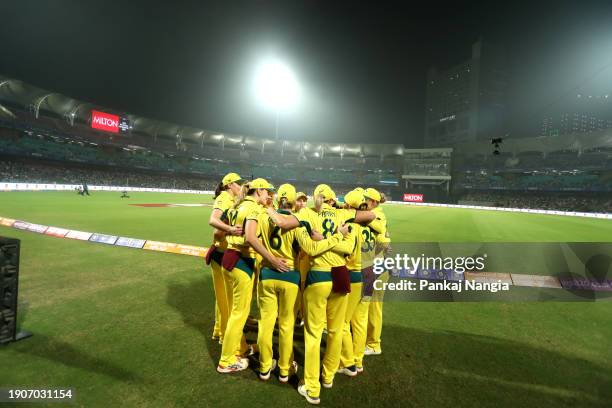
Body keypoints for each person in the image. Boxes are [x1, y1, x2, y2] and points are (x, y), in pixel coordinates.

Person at [267, 184, 376, 405]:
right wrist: (338, 236)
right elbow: (349, 247)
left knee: (314, 334)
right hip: (341, 275)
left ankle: (312, 387)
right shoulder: (344, 215)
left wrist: (324, 240)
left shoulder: (307, 214)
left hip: (319, 276)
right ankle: (328, 376)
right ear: (333, 198)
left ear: (316, 198)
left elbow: (312, 248)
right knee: (336, 330)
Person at [250, 183, 349, 382]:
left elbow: (253, 239)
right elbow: (308, 249)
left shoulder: (262, 217)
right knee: (286, 325)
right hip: (291, 276)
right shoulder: (299, 223)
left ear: (278, 199)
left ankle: (264, 367)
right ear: (295, 201)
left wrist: (270, 258)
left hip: (268, 273)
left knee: (266, 323)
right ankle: (285, 370)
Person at [217, 178, 285, 374]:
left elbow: (219, 231)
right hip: (241, 261)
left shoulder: (237, 205)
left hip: (229, 258)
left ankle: (241, 349)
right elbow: (251, 238)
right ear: (259, 190)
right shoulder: (253, 208)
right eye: (267, 192)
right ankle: (226, 360)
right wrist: (272, 259)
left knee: (235, 313)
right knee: (239, 314)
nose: (269, 195)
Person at [207, 173, 245, 344]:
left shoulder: (231, 200)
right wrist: (230, 229)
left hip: (220, 252)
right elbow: (213, 221)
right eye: (238, 184)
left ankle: (218, 330)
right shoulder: (224, 197)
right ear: (229, 185)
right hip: (221, 253)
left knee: (222, 297)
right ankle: (224, 335)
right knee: (226, 300)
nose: (240, 186)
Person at [336, 189, 368, 376]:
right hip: (365, 274)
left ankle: (348, 364)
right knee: (358, 321)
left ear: (348, 205)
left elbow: (346, 250)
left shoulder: (350, 226)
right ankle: (357, 359)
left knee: (342, 322)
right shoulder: (366, 226)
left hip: (351, 274)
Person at [362, 188, 391, 356]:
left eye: (365, 199)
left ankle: (373, 344)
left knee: (374, 307)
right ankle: (368, 340)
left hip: (377, 267)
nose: (363, 201)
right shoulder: (373, 214)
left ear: (373, 202)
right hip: (374, 267)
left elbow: (385, 245)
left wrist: (371, 260)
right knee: (368, 305)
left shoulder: (377, 215)